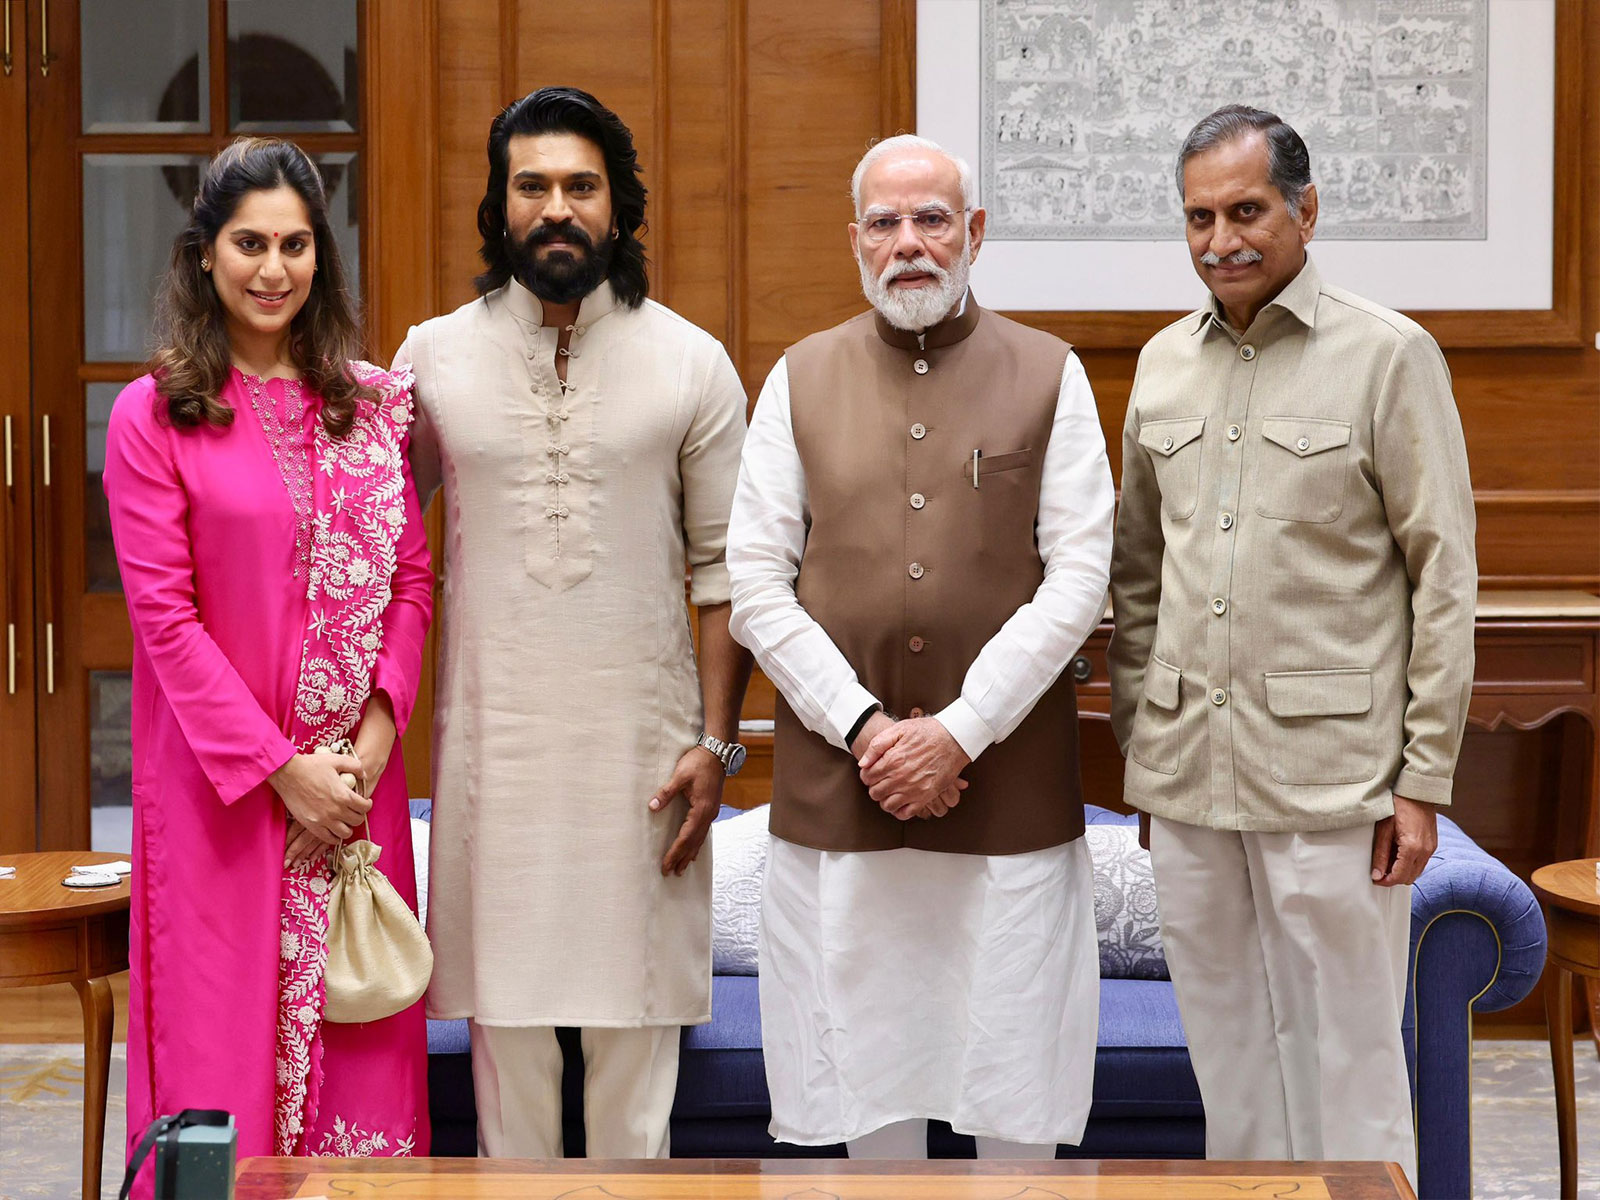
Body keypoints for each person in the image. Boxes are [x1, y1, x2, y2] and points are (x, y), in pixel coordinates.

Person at [1107, 105, 1477, 1186]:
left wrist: (1421, 780)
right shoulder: (1162, 364)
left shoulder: (1389, 356)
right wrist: (1143, 744)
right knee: (1228, 1061)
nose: (1220, 238)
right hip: (1185, 784)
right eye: (1198, 217)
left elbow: (1442, 580)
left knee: (1351, 1065)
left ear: (1305, 210)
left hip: (1336, 783)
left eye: (1247, 210)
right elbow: (1138, 573)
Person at [728, 134, 1114, 1159]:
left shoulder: (1049, 373)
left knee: (1014, 1108)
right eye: (887, 223)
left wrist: (960, 731)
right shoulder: (797, 378)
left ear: (974, 232)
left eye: (932, 219)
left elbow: (1078, 576)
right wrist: (866, 731)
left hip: (1007, 795)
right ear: (854, 239)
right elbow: (755, 585)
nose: (910, 243)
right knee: (865, 1116)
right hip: (841, 801)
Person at [399, 87, 751, 1159]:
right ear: (499, 208)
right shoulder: (428, 360)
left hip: (642, 768)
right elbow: (381, 556)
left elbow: (727, 576)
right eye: (533, 186)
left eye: (580, 187)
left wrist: (716, 745)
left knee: (633, 1077)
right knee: (506, 1072)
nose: (557, 208)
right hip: (496, 764)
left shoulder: (692, 361)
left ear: (618, 207)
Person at [104, 136, 433, 1184]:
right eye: (249, 243)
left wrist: (370, 748)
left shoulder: (371, 409)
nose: (272, 269)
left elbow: (411, 585)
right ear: (205, 253)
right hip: (223, 805)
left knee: (361, 1061)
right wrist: (283, 772)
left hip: (351, 803)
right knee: (219, 1082)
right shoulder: (155, 415)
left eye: (295, 245)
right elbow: (164, 622)